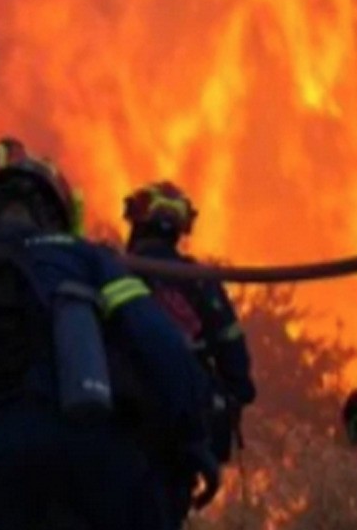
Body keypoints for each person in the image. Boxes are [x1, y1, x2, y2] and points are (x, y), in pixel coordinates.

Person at [0, 139, 215, 530]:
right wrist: (192, 442)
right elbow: (164, 351)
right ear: (57, 212)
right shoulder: (87, 258)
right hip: (95, 463)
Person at [123, 181, 257, 519]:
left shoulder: (111, 271)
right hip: (182, 441)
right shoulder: (201, 282)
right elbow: (238, 371)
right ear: (179, 231)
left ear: (137, 224)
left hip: (119, 433)